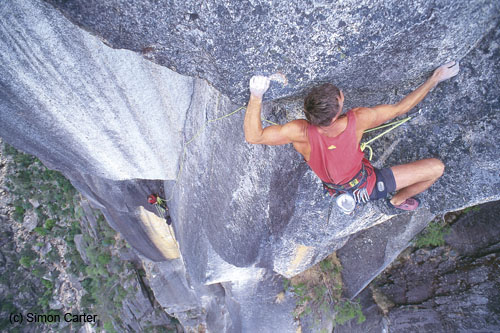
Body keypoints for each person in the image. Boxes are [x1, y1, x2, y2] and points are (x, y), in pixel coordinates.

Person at [244, 61, 459, 211]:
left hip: (342, 186)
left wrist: (256, 96)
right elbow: (399, 109)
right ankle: (398, 199)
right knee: (436, 169)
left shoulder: (299, 132)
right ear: (337, 113)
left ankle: (391, 194)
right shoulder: (358, 119)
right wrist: (434, 79)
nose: (342, 96)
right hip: (368, 185)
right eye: (341, 98)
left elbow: (255, 136)